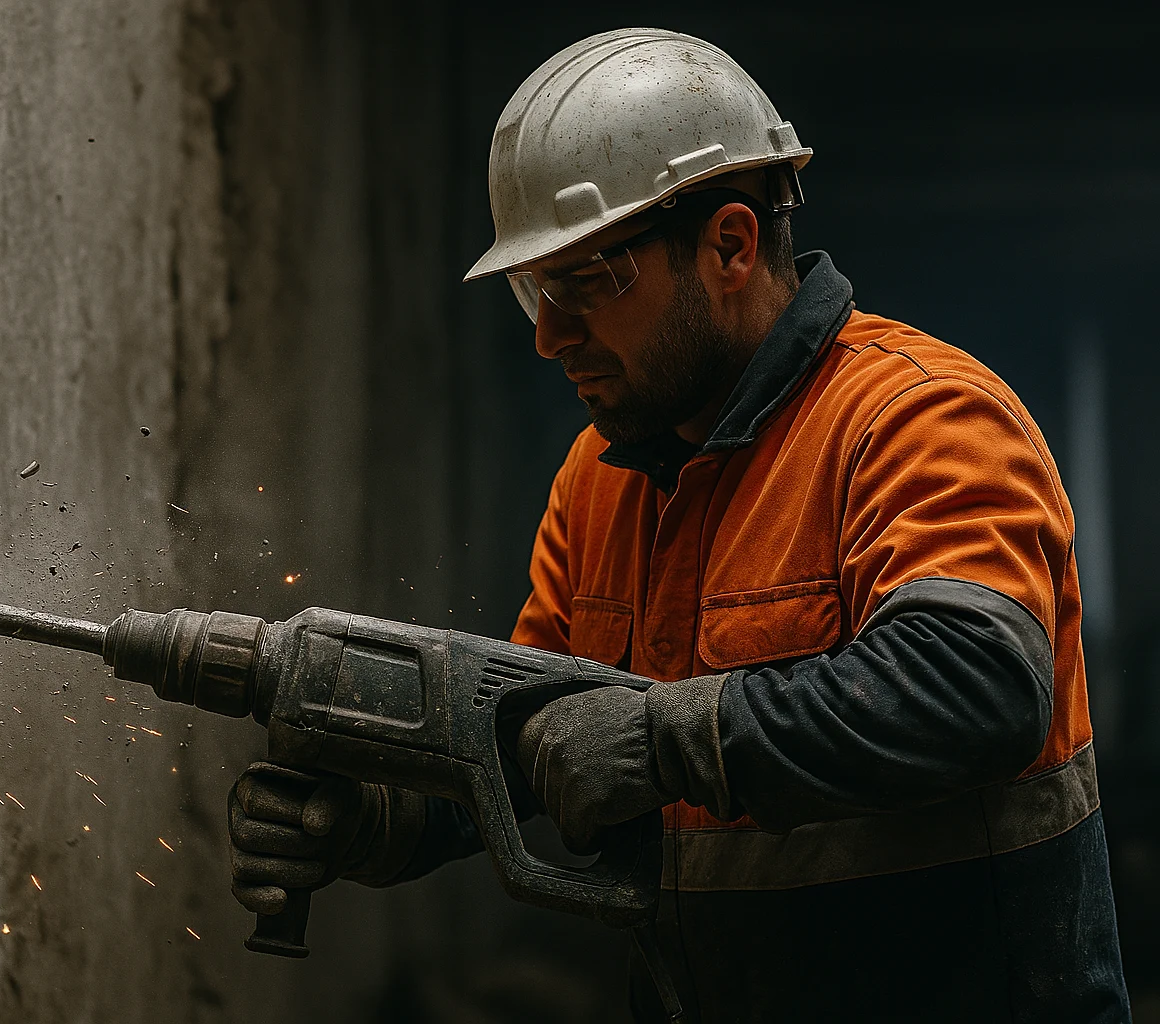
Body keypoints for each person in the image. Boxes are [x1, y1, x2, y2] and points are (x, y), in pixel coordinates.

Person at [227, 28, 1130, 1022]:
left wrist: (670, 737)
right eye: (536, 289)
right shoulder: (601, 477)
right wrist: (382, 821)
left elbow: (977, 684)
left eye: (584, 284)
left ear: (731, 246)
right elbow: (530, 734)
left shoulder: (920, 420)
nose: (547, 336)